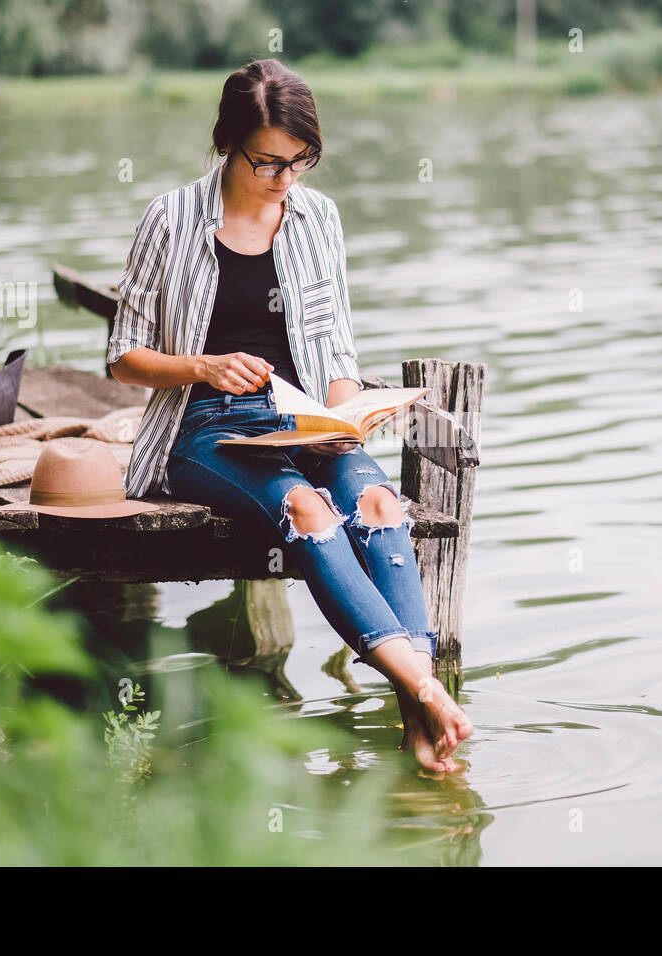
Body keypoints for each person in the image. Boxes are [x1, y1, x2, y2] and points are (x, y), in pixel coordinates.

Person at [107, 59, 473, 772]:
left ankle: (417, 715)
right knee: (307, 512)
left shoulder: (317, 218)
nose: (285, 179)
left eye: (301, 162)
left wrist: (346, 416)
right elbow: (123, 356)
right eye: (268, 162)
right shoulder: (171, 218)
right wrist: (201, 365)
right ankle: (428, 695)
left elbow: (335, 346)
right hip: (207, 427)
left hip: (303, 418)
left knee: (376, 501)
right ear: (226, 143)